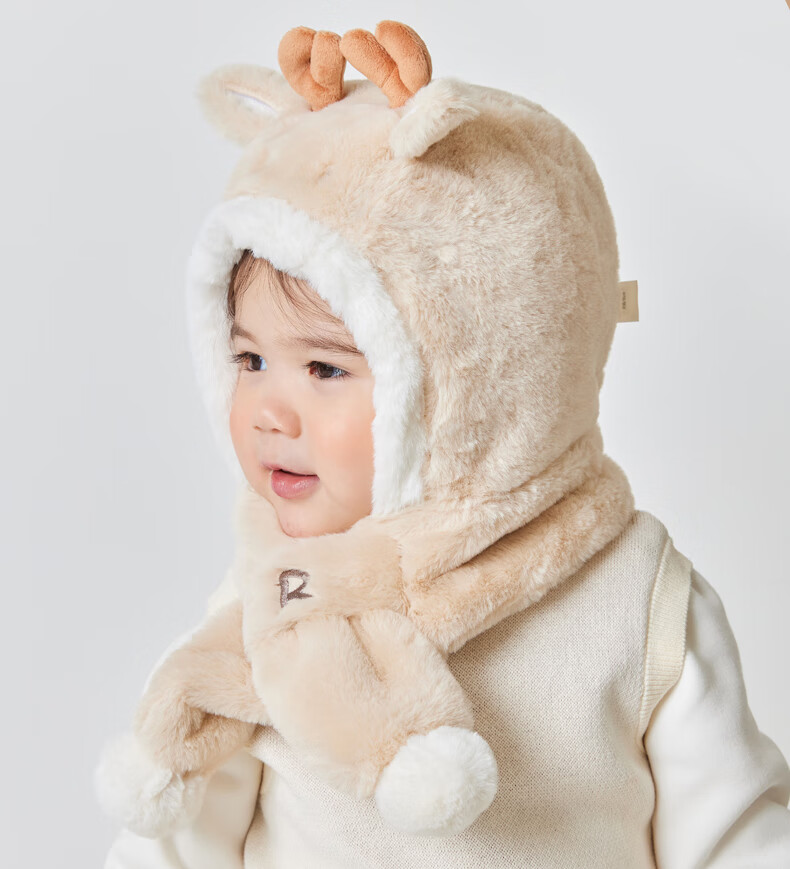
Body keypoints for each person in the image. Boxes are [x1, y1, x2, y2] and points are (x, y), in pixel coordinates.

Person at [95, 20, 790, 867]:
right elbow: (178, 846)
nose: (269, 412)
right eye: (249, 359)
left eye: (324, 367)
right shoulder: (276, 593)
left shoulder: (636, 596)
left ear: (485, 376)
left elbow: (738, 837)